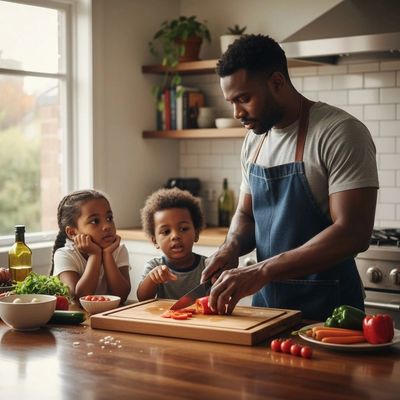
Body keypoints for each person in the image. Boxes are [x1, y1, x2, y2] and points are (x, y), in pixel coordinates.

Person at [201, 34, 378, 321]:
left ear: (277, 82)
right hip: (266, 313)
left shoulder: (339, 132)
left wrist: (263, 269)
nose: (237, 113)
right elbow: (246, 214)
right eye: (231, 102)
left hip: (331, 315)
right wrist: (230, 246)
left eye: (244, 99)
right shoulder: (254, 141)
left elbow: (353, 233)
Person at [51, 189, 131, 303]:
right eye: (95, 221)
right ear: (72, 233)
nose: (107, 226)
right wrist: (95, 255)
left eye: (109, 218)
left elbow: (121, 296)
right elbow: (78, 298)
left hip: (110, 316)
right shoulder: (64, 255)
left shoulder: (118, 250)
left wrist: (107, 255)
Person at [137, 187, 205, 301]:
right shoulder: (154, 266)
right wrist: (152, 279)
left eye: (183, 229)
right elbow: (142, 298)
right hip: (164, 318)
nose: (175, 236)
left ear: (196, 233)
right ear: (155, 241)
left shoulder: (207, 266)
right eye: (166, 232)